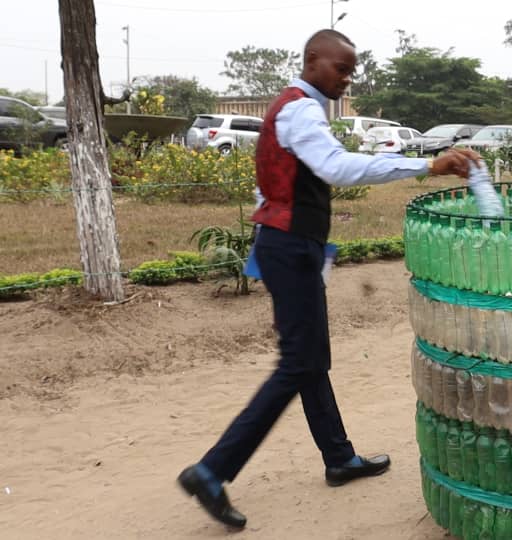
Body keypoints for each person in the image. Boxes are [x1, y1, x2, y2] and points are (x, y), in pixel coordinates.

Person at [177, 29, 481, 529]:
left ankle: (339, 458)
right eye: (340, 68)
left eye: (351, 70)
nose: (347, 78)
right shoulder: (299, 108)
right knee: (299, 363)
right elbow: (336, 167)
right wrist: (427, 165)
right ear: (312, 60)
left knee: (312, 357)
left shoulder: (297, 108)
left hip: (291, 246)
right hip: (290, 248)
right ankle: (212, 470)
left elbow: (276, 184)